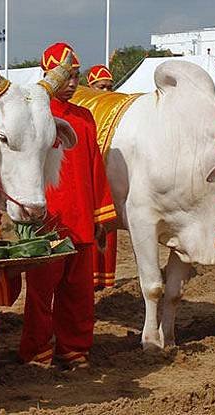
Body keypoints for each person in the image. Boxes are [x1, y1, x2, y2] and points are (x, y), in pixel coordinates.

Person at [19, 42, 117, 368]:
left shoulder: (85, 117)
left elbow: (95, 168)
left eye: (76, 75)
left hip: (80, 218)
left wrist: (100, 215)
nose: (73, 83)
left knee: (78, 294)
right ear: (46, 73)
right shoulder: (32, 113)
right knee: (41, 293)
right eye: (66, 76)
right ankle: (37, 351)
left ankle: (73, 349)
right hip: (47, 220)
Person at [87, 64, 117, 289]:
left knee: (108, 229)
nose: (106, 91)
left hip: (108, 178)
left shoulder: (114, 113)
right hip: (87, 180)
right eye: (101, 87)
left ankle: (103, 278)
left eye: (110, 87)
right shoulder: (86, 113)